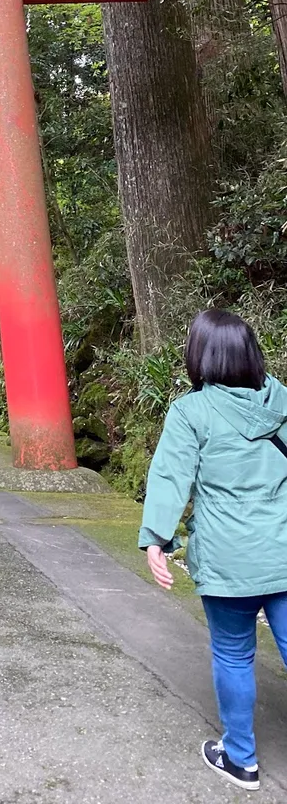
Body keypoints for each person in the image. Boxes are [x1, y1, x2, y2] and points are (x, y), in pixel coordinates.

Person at [140, 309, 287, 793]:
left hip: (228, 559)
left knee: (233, 653)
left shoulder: (191, 411)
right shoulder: (282, 401)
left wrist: (157, 539)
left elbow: (170, 477)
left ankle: (241, 759)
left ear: (199, 355)